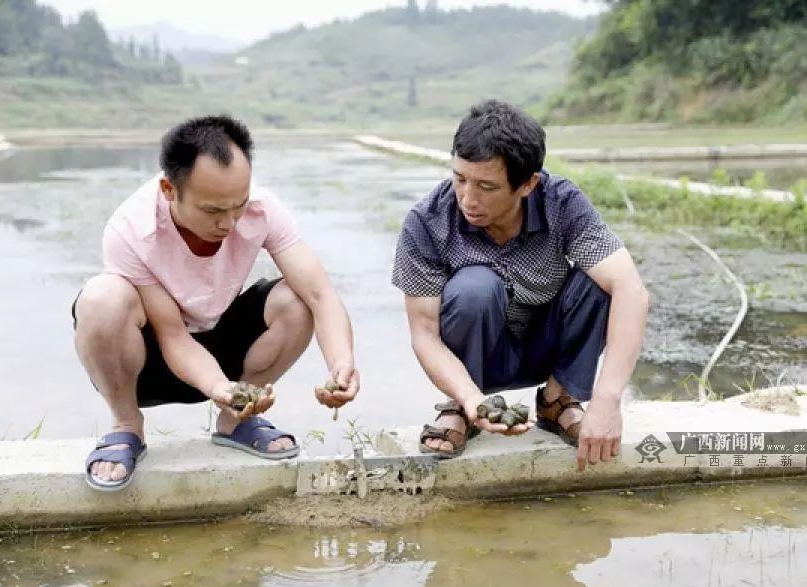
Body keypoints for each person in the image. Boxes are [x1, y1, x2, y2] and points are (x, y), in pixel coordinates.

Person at [74, 115, 359, 492]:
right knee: (102, 297)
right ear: (169, 190)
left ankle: (236, 418)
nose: (228, 223)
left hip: (222, 340)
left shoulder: (262, 208)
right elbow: (173, 336)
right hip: (151, 359)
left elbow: (320, 294)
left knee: (297, 300)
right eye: (212, 211)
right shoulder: (131, 229)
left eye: (237, 205)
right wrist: (216, 385)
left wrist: (342, 363)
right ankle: (127, 425)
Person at [391, 100, 648, 470]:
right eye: (460, 178)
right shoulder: (428, 220)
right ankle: (462, 409)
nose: (467, 198)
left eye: (486, 186)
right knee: (474, 289)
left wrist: (607, 401)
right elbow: (424, 333)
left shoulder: (563, 203)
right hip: (478, 360)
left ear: (528, 184)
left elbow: (633, 293)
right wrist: (471, 399)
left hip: (546, 346)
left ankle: (558, 400)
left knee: (601, 283)